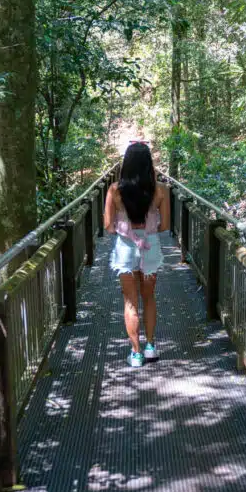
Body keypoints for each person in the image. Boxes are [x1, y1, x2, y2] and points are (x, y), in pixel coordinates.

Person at [104, 142, 170, 368]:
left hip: (125, 249)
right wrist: (147, 230)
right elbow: (165, 226)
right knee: (149, 298)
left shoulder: (115, 190)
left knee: (130, 302)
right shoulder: (160, 190)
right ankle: (151, 347)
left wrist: (124, 230)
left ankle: (136, 353)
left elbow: (108, 226)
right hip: (150, 247)